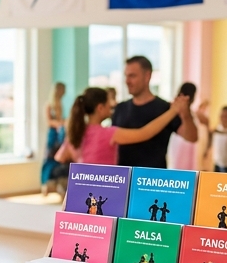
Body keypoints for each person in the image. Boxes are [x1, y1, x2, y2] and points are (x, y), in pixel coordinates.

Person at [55, 87, 188, 166]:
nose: (112, 105)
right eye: (108, 103)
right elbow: (145, 133)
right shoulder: (108, 134)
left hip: (81, 190)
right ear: (100, 108)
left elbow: (60, 157)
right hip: (104, 191)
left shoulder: (76, 132)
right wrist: (173, 111)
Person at [110, 56, 197, 168]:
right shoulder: (120, 108)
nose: (127, 81)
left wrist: (186, 116)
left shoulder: (165, 108)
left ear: (147, 76)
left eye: (132, 76)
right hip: (125, 175)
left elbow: (192, 137)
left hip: (154, 176)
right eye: (126, 76)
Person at [41, 82, 67, 196]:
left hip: (60, 135)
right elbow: (49, 122)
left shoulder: (60, 104)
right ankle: (45, 183)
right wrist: (60, 124)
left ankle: (58, 184)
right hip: (53, 135)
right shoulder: (49, 105)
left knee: (59, 159)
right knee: (49, 159)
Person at [207, 106, 227, 173]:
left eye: (226, 116)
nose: (223, 118)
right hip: (217, 162)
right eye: (221, 115)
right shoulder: (216, 130)